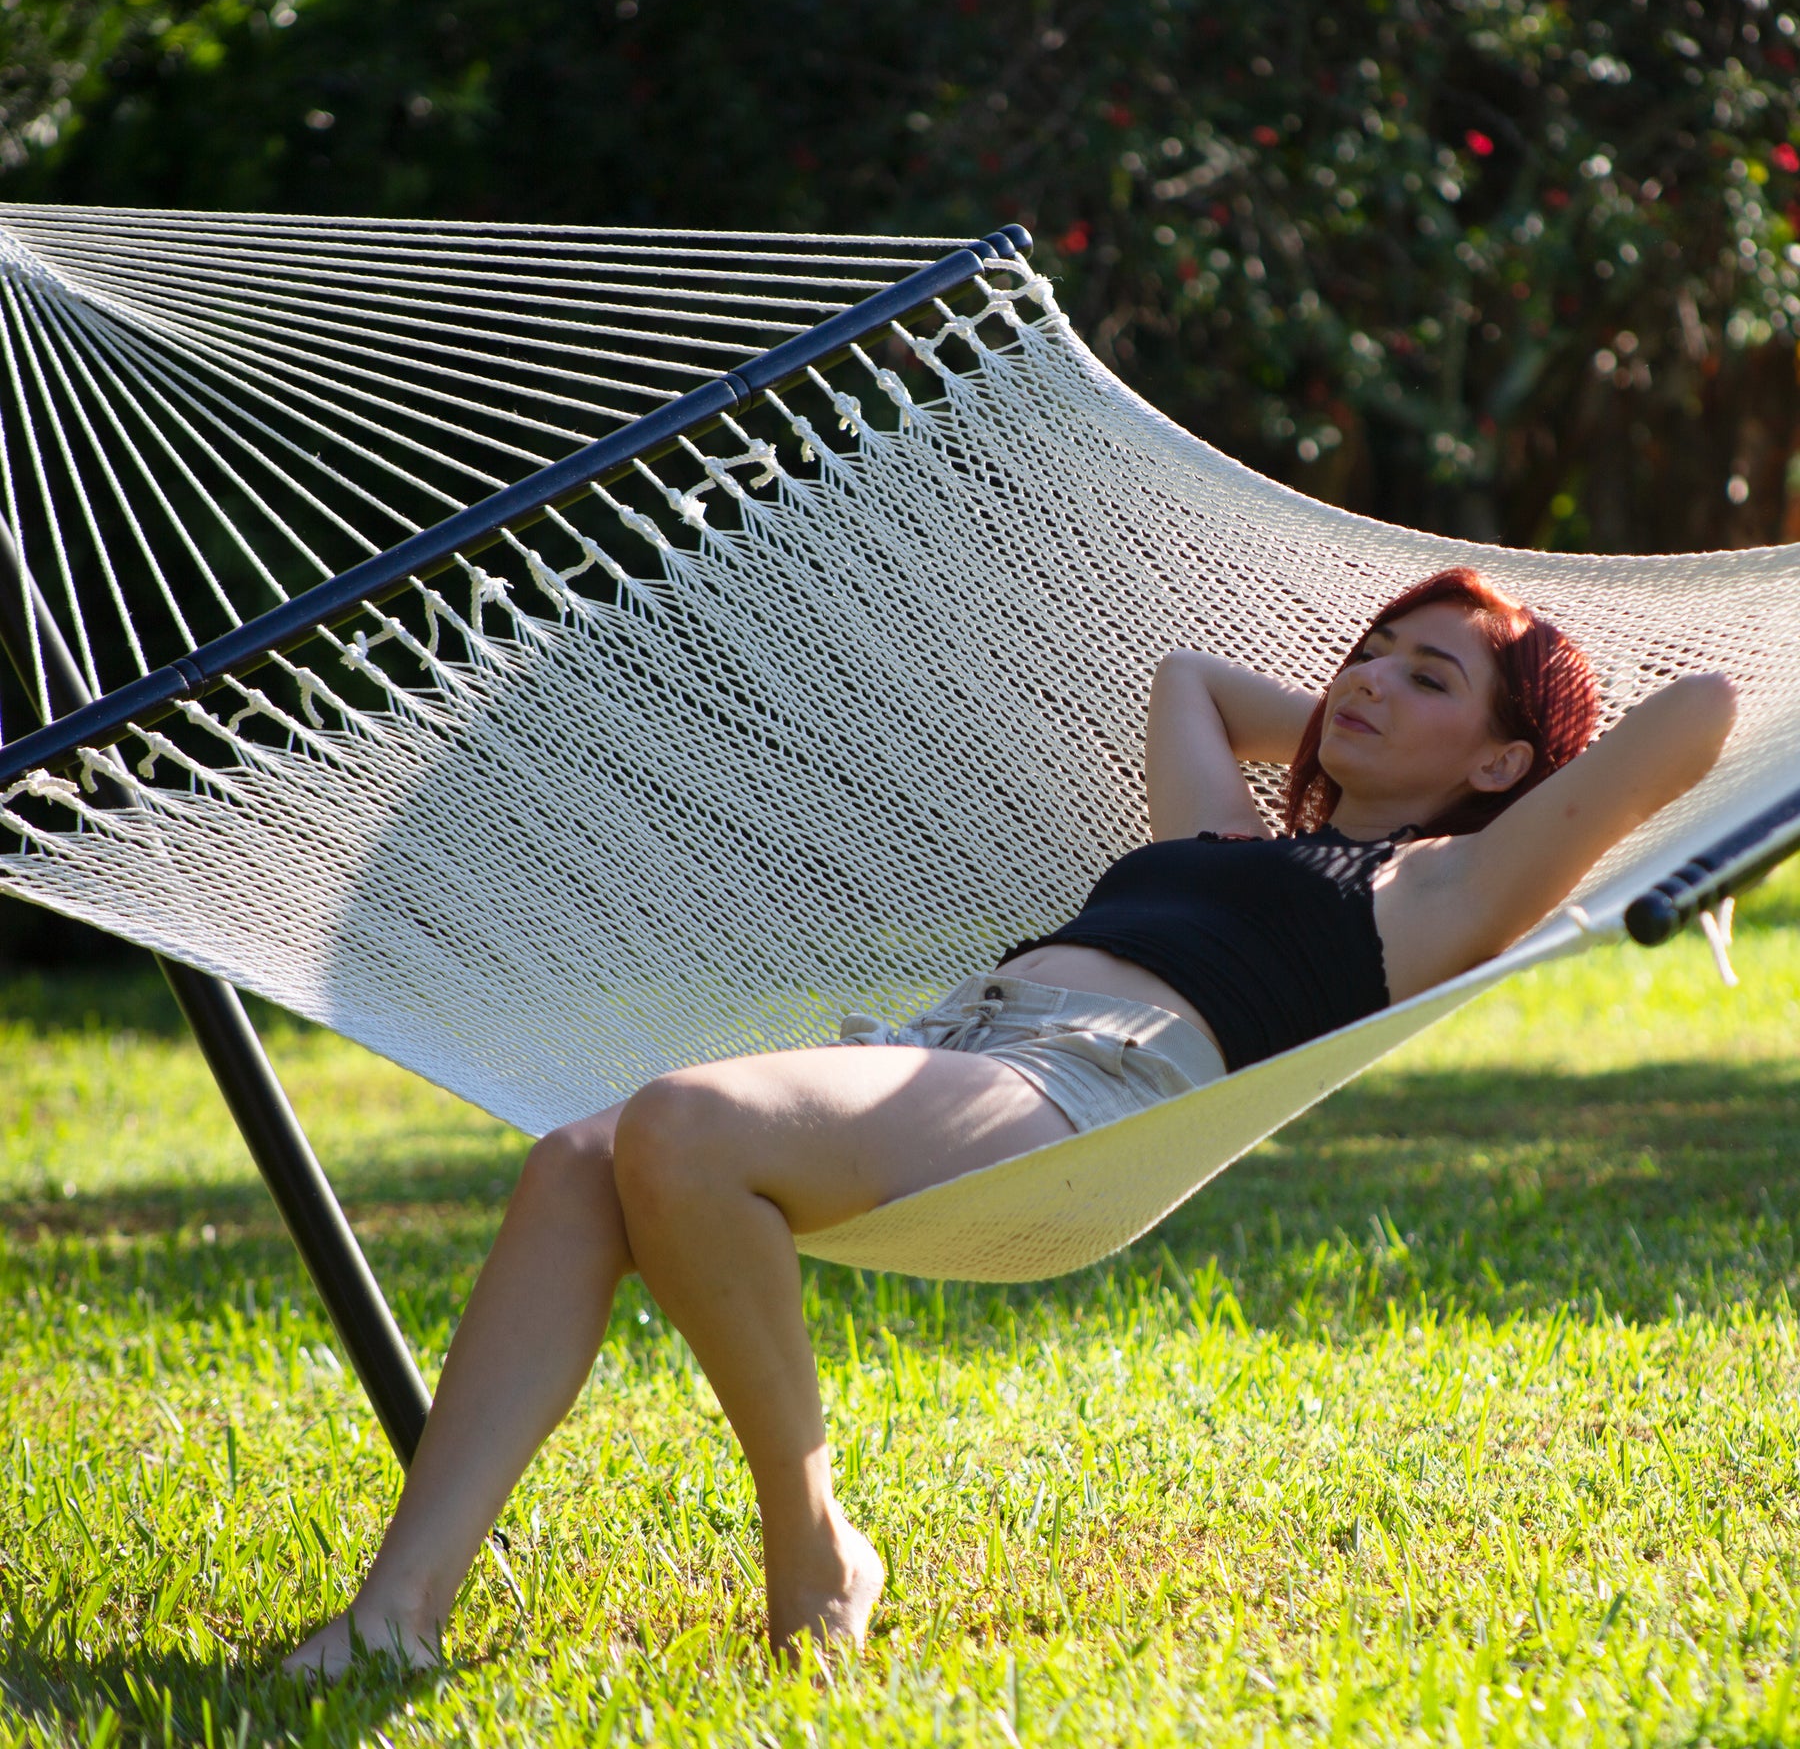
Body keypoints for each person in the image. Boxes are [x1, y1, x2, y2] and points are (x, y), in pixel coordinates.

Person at [284, 566, 1736, 1675]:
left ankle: (814, 1547)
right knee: (580, 1160)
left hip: (1086, 1098)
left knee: (682, 1125)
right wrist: (1366, 730)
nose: (1364, 680)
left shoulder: (1440, 899)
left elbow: (1703, 718)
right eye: (1365, 654)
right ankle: (399, 1608)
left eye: (1426, 677)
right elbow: (1190, 680)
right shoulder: (1226, 842)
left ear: (1501, 767)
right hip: (955, 1055)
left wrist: (1482, 782)